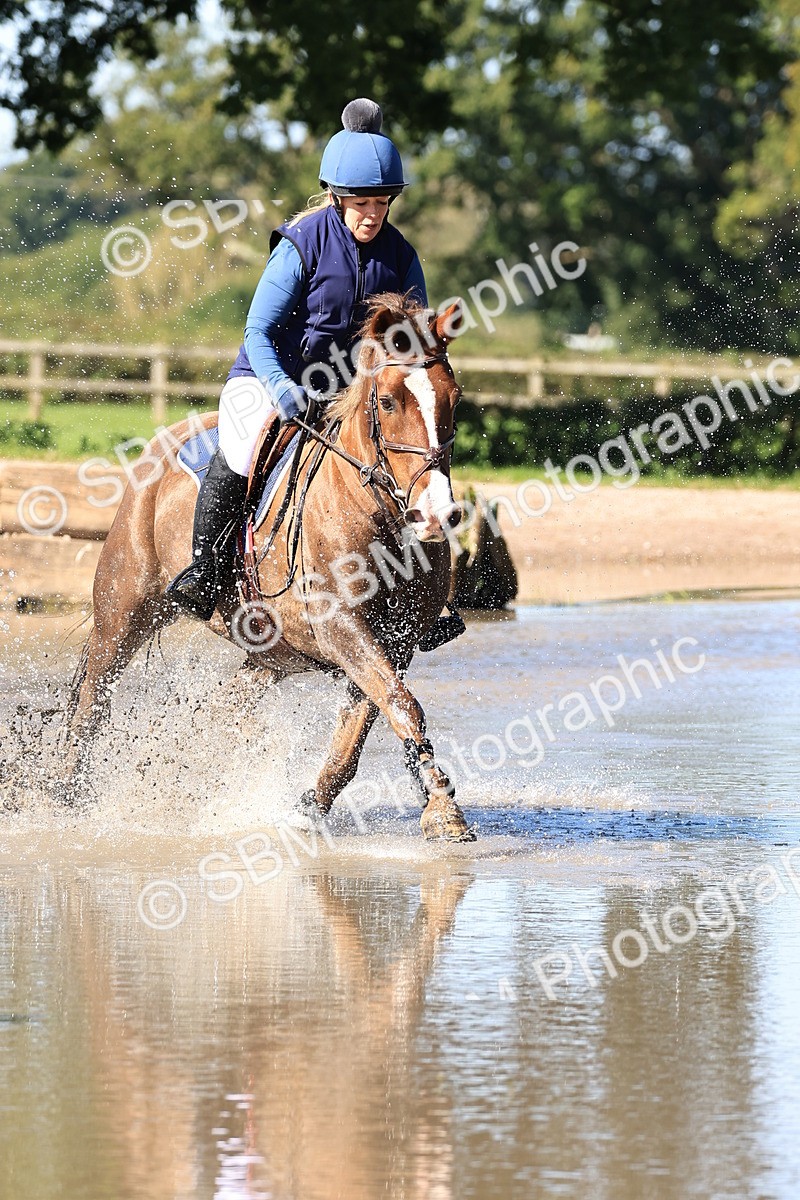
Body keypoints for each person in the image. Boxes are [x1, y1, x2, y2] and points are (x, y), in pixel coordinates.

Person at [168, 97, 427, 620]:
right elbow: (258, 331)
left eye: (382, 203)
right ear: (337, 196)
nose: (372, 215)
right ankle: (206, 571)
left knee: (410, 456)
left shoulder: (400, 255)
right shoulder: (301, 244)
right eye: (361, 203)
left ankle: (422, 597)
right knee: (242, 451)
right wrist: (284, 390)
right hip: (270, 378)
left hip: (349, 392)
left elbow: (412, 342)